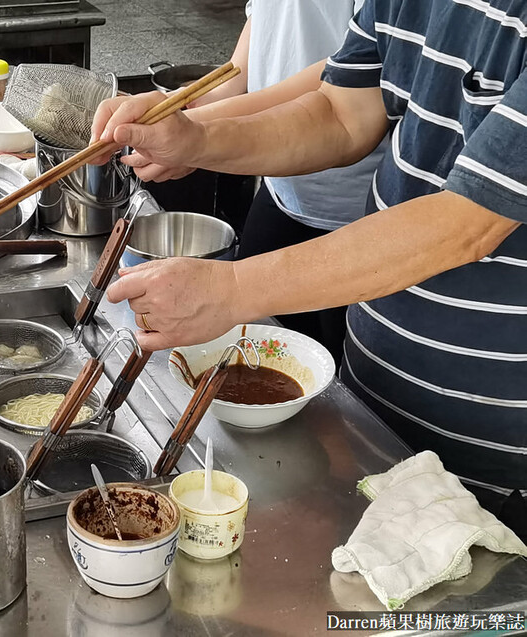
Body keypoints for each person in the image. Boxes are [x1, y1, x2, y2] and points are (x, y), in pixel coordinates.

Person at [92, 0, 527, 533]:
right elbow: (342, 114)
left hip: (500, 447)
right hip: (376, 396)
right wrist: (198, 139)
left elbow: (468, 222)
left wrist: (232, 288)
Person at [136, 1, 386, 363]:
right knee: (247, 350)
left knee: (323, 371)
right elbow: (264, 23)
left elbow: (347, 83)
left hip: (355, 211)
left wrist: (200, 133)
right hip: (280, 189)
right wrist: (207, 101)